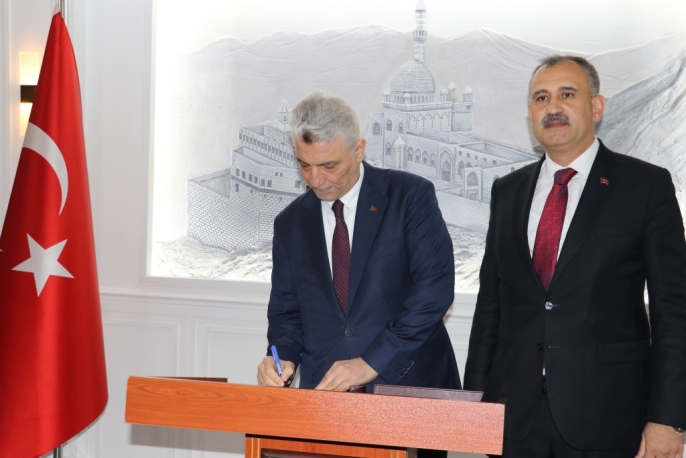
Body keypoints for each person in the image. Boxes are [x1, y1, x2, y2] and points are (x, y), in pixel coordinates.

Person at [464, 55, 686, 457]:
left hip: (609, 415)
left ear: (596, 107)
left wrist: (669, 418)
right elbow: (490, 306)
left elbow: (674, 311)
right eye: (541, 98)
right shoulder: (507, 191)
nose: (553, 107)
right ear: (530, 112)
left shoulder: (645, 186)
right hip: (515, 415)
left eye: (567, 94)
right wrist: (476, 402)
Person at [257, 91, 460, 396]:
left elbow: (434, 291)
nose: (315, 180)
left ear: (359, 150)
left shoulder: (409, 196)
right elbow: (287, 315)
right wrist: (281, 357)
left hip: (410, 390)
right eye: (304, 165)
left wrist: (370, 363)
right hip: (326, 396)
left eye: (328, 166)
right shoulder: (290, 223)